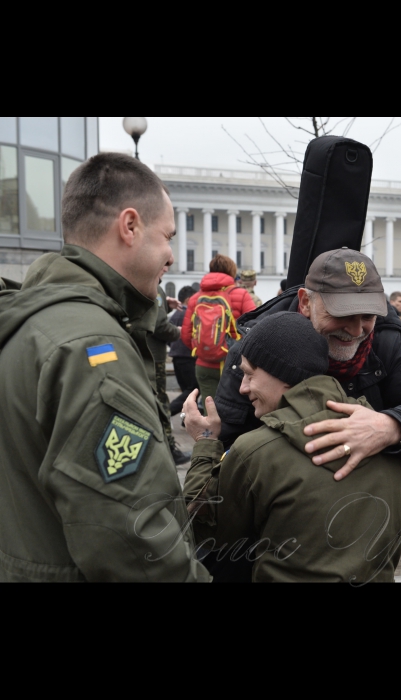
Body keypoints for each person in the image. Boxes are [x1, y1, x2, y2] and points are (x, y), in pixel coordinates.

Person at [0, 153, 209, 583]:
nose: (172, 255)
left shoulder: (31, 321)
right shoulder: (94, 350)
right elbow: (133, 545)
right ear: (129, 226)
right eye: (167, 236)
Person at [183, 313, 401, 583]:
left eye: (250, 374)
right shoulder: (391, 443)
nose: (242, 387)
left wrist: (205, 443)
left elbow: (201, 528)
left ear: (283, 375)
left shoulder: (256, 451)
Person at [215, 248, 401, 480]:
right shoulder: (256, 349)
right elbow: (227, 450)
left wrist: (391, 426)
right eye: (341, 315)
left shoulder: (387, 341)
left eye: (368, 316)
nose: (357, 330)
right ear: (305, 303)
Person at [182, 255, 256, 410]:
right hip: (235, 365)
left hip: (204, 365)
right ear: (231, 271)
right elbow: (255, 330)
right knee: (235, 413)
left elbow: (186, 335)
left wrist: (204, 350)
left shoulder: (196, 298)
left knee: (210, 413)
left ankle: (208, 435)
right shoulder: (241, 295)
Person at [147, 284, 191, 465]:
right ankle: (169, 449)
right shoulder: (154, 287)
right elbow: (160, 325)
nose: (167, 265)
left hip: (147, 352)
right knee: (160, 401)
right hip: (154, 355)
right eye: (164, 263)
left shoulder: (146, 284)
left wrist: (163, 302)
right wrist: (179, 332)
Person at [169, 286, 199, 416]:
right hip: (188, 356)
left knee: (186, 390)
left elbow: (168, 336)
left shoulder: (174, 314)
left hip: (176, 357)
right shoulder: (189, 314)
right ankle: (168, 411)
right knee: (193, 390)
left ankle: (185, 418)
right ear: (188, 299)